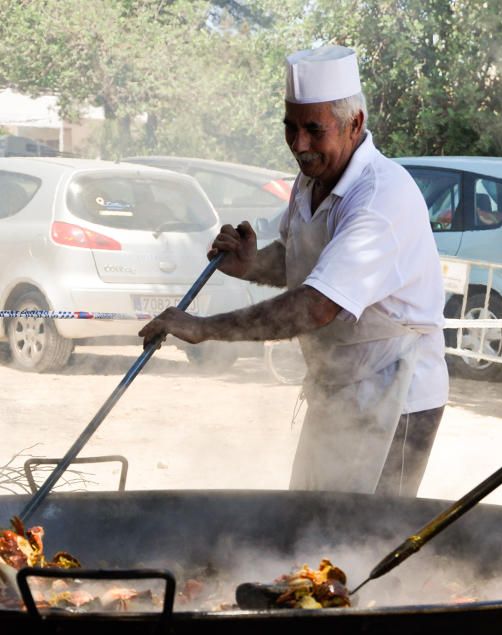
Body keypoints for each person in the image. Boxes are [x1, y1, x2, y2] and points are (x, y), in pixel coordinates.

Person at [139, 45, 449, 497]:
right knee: (308, 522)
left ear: (355, 124)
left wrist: (204, 328)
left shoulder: (381, 198)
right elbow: (300, 260)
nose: (299, 145)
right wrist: (251, 264)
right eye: (290, 127)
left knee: (368, 541)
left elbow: (318, 305)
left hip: (398, 395)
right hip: (337, 386)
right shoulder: (312, 179)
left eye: (313, 130)